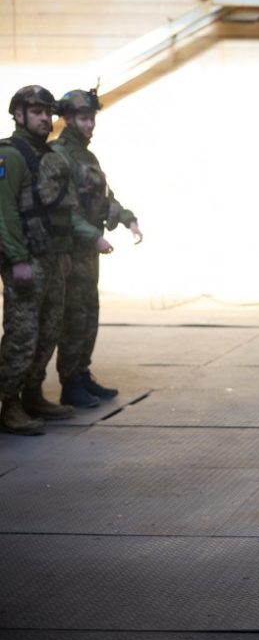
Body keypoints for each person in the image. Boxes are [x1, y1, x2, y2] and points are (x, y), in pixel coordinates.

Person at [51, 88, 143, 408]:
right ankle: (70, 382)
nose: (89, 124)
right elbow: (63, 209)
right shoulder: (58, 155)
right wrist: (93, 235)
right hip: (70, 252)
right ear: (68, 119)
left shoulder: (88, 157)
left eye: (91, 118)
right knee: (73, 316)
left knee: (89, 314)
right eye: (83, 118)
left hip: (88, 254)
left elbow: (104, 199)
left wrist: (127, 218)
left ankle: (82, 373)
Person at [0, 85, 77, 435]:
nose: (45, 117)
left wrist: (62, 255)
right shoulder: (11, 154)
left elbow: (54, 212)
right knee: (22, 335)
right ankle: (9, 403)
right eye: (36, 111)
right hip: (25, 260)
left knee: (48, 331)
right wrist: (17, 259)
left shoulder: (46, 154)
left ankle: (32, 394)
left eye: (48, 111)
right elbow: (4, 214)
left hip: (50, 258)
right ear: (18, 115)